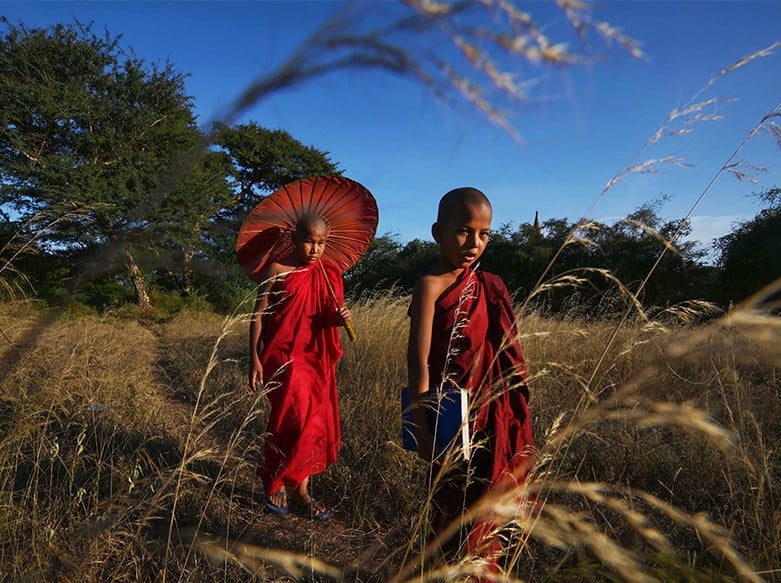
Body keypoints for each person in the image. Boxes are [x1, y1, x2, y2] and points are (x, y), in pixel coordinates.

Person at [407, 187, 535, 571]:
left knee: (491, 506)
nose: (474, 243)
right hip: (450, 416)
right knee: (452, 504)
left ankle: (482, 570)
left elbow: (507, 355)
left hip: (494, 413)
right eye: (464, 231)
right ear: (437, 232)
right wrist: (422, 424)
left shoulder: (491, 285)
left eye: (485, 234)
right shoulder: (429, 285)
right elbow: (419, 361)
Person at [248, 213, 351, 520]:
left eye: (321, 243)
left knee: (312, 423)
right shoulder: (277, 270)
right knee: (288, 421)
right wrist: (253, 356)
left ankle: (302, 490)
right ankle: (275, 481)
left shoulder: (329, 274)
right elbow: (259, 314)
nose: (315, 249)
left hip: (315, 360)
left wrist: (339, 318)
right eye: (309, 240)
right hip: (282, 358)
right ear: (294, 239)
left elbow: (325, 317)